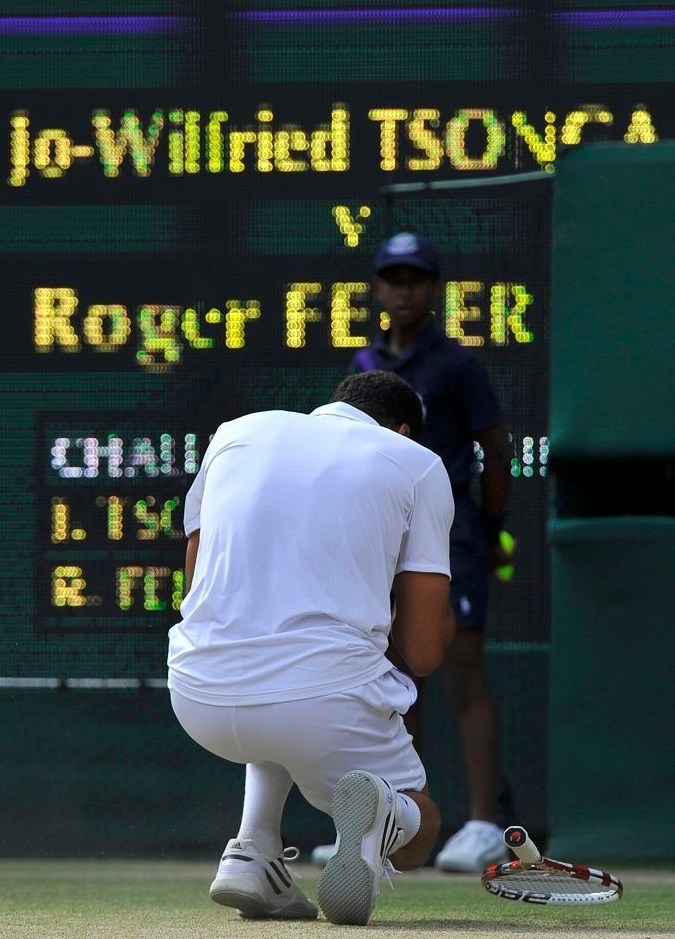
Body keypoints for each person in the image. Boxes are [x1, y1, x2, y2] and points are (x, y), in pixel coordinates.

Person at [167, 370, 456, 925]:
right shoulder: (416, 462)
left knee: (276, 682)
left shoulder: (235, 433)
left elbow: (197, 583)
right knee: (422, 827)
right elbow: (421, 652)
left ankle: (253, 851)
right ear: (402, 431)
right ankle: (386, 813)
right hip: (322, 703)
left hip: (195, 691)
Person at [313, 232, 512, 873]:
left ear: (433, 288)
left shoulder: (457, 365)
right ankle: (398, 826)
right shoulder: (362, 363)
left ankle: (481, 826)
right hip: (383, 537)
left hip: (451, 534)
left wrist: (492, 524)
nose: (404, 289)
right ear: (378, 287)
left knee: (459, 669)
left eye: (416, 278)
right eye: (393, 278)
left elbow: (495, 448)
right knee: (395, 682)